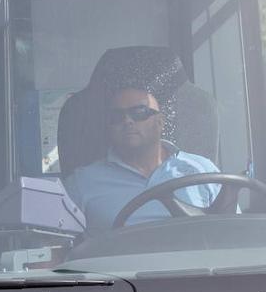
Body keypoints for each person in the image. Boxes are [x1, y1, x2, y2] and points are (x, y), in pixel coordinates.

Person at [65, 85, 220, 233]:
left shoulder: (202, 169)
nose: (127, 121)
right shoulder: (82, 182)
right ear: (109, 127)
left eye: (139, 112)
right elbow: (56, 250)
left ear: (160, 122)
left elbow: (230, 233)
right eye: (117, 116)